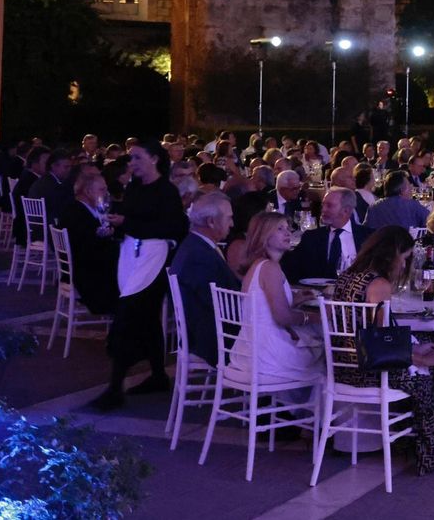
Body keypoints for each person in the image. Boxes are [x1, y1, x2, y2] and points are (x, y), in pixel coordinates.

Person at [331, 227, 434, 476]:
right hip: (369, 370)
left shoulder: (348, 276)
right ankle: (426, 453)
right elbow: (381, 345)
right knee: (430, 377)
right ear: (393, 255)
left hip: (343, 365)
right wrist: (420, 359)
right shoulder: (379, 284)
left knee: (427, 342)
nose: (405, 264)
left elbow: (373, 334)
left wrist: (415, 347)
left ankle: (408, 441)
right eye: (405, 258)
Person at [92, 143, 187, 411]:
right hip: (131, 255)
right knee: (147, 319)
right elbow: (131, 218)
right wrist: (116, 227)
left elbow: (172, 227)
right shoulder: (134, 187)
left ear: (155, 159)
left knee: (127, 319)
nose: (131, 162)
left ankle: (115, 387)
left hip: (154, 259)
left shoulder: (166, 191)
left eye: (137, 157)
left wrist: (127, 224)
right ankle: (158, 375)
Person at [229, 213, 322, 385]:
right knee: (326, 358)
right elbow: (282, 317)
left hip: (248, 349)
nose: (288, 233)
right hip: (267, 354)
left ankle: (284, 410)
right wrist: (316, 317)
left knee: (314, 343)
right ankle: (304, 411)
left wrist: (296, 299)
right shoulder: (270, 267)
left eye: (288, 228)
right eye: (280, 229)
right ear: (263, 235)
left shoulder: (258, 264)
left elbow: (263, 305)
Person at [168, 193, 242, 368]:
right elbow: (225, 306)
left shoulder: (194, 245)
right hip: (214, 341)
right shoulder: (200, 257)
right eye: (229, 218)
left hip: (205, 332)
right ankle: (265, 392)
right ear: (211, 222)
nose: (232, 224)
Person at [55, 173, 120, 315]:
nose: (106, 193)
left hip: (85, 266)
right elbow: (86, 248)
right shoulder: (75, 212)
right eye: (102, 190)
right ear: (88, 192)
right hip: (84, 274)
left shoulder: (84, 209)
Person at [282, 187, 370, 282]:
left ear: (346, 210)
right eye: (323, 205)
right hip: (319, 294)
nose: (323, 210)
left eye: (329, 206)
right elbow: (292, 270)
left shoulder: (368, 237)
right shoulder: (311, 237)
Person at [364, 170, 429, 230]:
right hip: (407, 241)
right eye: (409, 185)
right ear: (402, 190)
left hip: (381, 242)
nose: (411, 188)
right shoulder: (412, 205)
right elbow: (431, 221)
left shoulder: (373, 207)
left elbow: (366, 231)